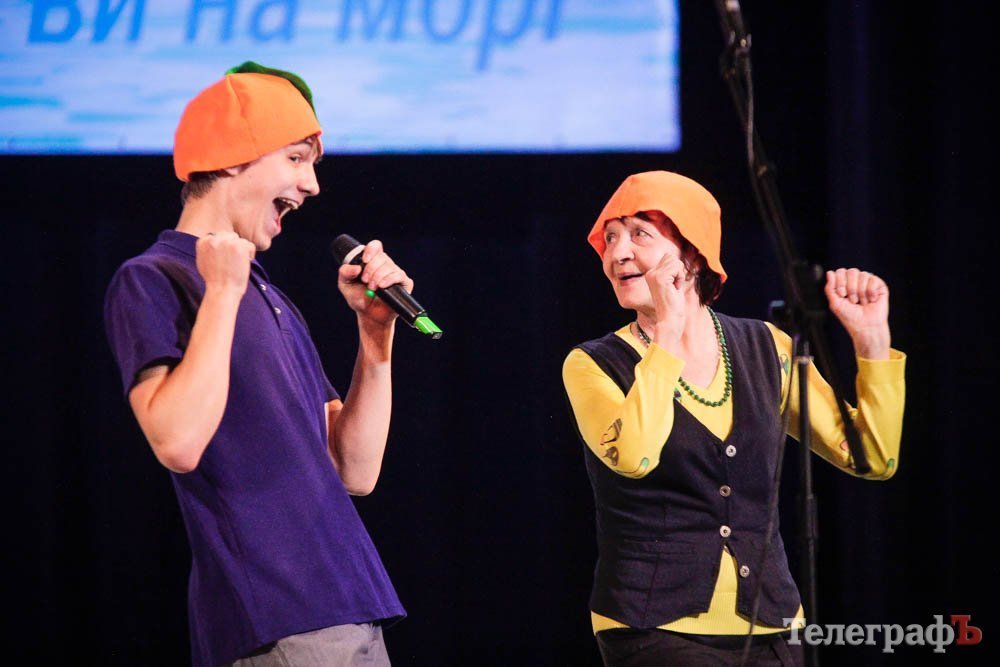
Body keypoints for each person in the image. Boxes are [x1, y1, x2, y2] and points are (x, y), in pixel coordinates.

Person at [104, 62, 407, 667]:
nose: (311, 185)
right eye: (296, 158)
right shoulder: (154, 278)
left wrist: (376, 338)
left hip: (348, 600)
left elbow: (355, 470)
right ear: (230, 158)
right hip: (274, 611)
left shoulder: (269, 295)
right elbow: (177, 442)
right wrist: (221, 291)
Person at [562, 171, 906, 666]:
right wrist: (667, 333)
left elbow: (874, 458)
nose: (618, 253)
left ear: (692, 253)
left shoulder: (767, 348)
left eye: (640, 234)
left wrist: (872, 343)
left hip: (774, 624)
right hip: (652, 626)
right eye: (610, 238)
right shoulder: (593, 363)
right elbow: (635, 456)